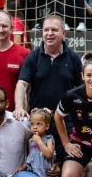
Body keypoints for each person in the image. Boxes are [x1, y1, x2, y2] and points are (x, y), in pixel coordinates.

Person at [14, 14, 84, 167]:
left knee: (65, 170)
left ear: (64, 33)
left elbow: (81, 91)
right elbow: (22, 84)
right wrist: (19, 107)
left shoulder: (73, 58)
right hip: (39, 124)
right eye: (46, 30)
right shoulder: (32, 57)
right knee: (39, 169)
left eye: (54, 30)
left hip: (67, 123)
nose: (49, 33)